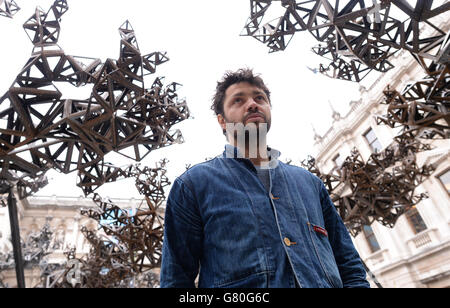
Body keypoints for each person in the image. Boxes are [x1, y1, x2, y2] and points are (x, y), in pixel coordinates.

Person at [160, 68, 370, 288]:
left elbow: (348, 264)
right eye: (238, 100)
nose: (252, 104)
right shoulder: (193, 185)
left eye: (259, 98)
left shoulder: (309, 183)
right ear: (222, 121)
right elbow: (176, 279)